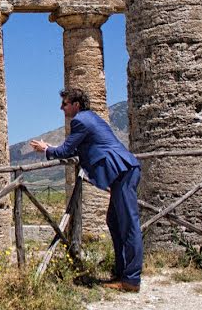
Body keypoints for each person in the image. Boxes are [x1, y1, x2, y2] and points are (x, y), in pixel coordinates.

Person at [30, 88, 143, 293]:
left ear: (76, 105)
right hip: (122, 172)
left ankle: (131, 279)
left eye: (65, 103)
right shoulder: (90, 118)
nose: (61, 107)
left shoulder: (80, 121)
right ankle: (121, 271)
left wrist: (45, 149)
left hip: (122, 172)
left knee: (129, 225)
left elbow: (65, 151)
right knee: (115, 222)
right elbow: (75, 149)